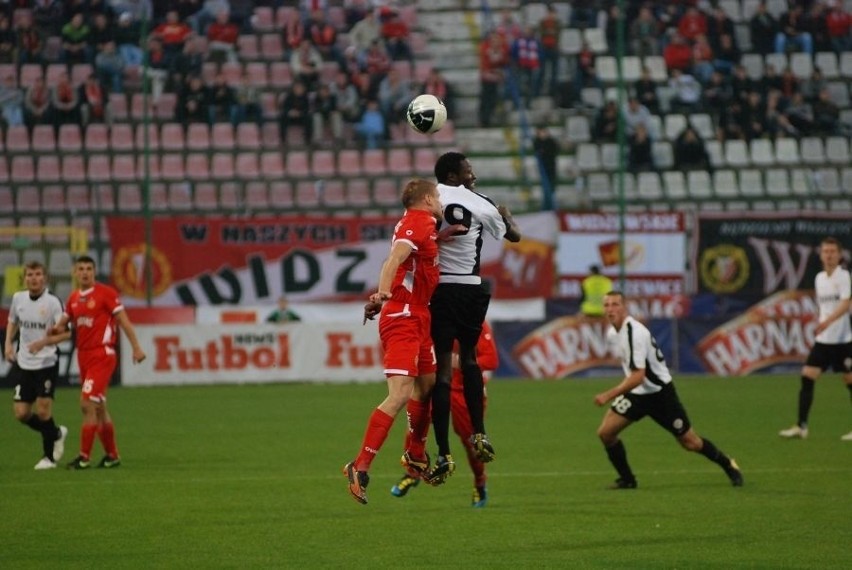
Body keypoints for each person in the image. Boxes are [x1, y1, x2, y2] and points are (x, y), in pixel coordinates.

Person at [343, 179, 445, 505]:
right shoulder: (419, 222)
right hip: (402, 316)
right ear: (428, 199)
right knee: (400, 394)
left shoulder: (424, 225)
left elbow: (416, 254)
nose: (441, 201)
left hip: (420, 316)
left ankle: (415, 454)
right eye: (438, 197)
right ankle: (359, 466)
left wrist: (445, 237)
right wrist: (383, 291)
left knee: (428, 385)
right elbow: (395, 258)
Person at [424, 152, 522, 485]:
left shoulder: (428, 199)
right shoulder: (478, 200)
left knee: (441, 373)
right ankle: (479, 434)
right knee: (469, 358)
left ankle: (443, 452)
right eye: (468, 170)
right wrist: (507, 216)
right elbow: (513, 236)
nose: (473, 174)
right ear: (453, 176)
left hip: (438, 290)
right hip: (469, 287)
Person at [594, 291, 744, 489]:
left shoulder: (635, 333)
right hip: (637, 394)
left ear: (624, 307)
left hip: (660, 394)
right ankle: (628, 480)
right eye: (607, 305)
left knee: (690, 442)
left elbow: (638, 376)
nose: (610, 309)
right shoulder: (614, 333)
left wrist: (608, 394)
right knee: (606, 433)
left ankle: (728, 464)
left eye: (615, 304)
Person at [51, 256, 147, 470]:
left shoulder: (106, 294)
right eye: (81, 269)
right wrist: (55, 330)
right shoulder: (74, 297)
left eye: (88, 269)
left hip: (102, 355)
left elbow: (124, 321)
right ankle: (112, 456)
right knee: (100, 408)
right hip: (83, 356)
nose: (85, 272)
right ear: (75, 273)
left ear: (94, 272)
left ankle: (84, 457)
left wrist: (136, 347)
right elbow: (63, 323)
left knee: (87, 405)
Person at [391, 317, 499, 507]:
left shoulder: (476, 321)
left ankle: (480, 483)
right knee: (416, 426)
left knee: (472, 441)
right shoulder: (434, 318)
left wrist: (459, 361)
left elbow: (491, 359)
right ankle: (412, 473)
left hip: (464, 392)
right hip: (437, 385)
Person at [779, 237, 851, 441]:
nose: (829, 255)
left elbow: (846, 304)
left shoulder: (843, 276)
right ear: (820, 255)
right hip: (824, 340)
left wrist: (827, 322)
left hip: (843, 340)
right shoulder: (820, 278)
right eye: (825, 251)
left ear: (839, 255)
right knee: (807, 375)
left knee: (849, 380)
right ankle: (801, 427)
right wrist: (819, 319)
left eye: (832, 252)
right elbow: (824, 307)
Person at [4, 262, 70, 470]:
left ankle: (48, 458)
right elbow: (13, 321)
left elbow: (66, 333)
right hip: (24, 363)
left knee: (43, 411)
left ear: (45, 278)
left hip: (46, 363)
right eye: (30, 274)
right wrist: (8, 344)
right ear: (25, 278)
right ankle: (56, 433)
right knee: (21, 413)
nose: (33, 278)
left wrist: (44, 343)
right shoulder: (18, 299)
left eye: (38, 274)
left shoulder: (52, 302)